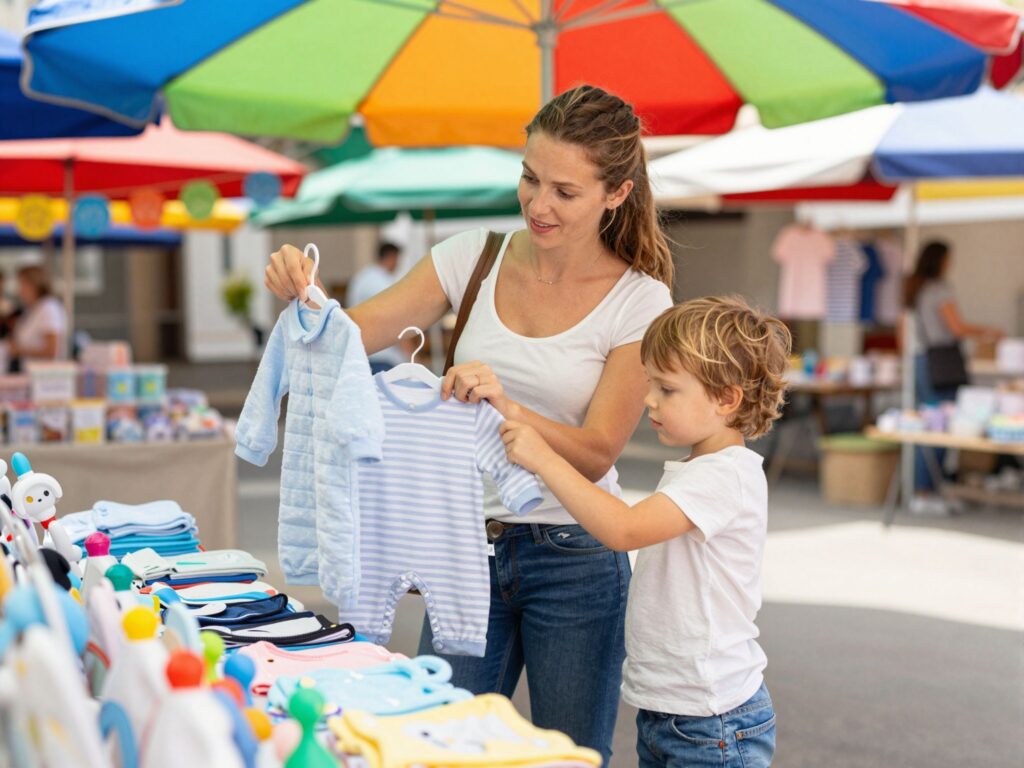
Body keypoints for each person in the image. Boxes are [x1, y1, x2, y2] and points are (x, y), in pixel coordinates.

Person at [264, 84, 674, 759]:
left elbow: (598, 451)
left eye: (565, 192)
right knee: (436, 743)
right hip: (466, 549)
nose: (538, 205)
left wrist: (505, 405)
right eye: (530, 178)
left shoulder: (640, 300)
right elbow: (349, 335)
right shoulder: (473, 256)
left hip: (575, 558)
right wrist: (304, 291)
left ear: (617, 193)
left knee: (568, 755)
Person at [501, 297, 791, 768]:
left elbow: (624, 529)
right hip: (674, 714)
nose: (649, 399)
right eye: (651, 383)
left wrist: (545, 460)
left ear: (727, 398)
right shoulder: (701, 469)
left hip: (711, 722)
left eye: (667, 389)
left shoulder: (725, 475)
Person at [904, 241, 1002, 502]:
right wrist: (990, 331)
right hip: (941, 362)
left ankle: (924, 488)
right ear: (940, 261)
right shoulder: (939, 289)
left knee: (928, 422)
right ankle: (927, 491)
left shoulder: (916, 288)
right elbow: (957, 328)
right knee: (942, 424)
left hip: (921, 359)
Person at [346, 241, 405, 373]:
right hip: (383, 355)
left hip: (360, 353)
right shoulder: (383, 282)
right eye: (397, 259)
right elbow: (396, 320)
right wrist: (412, 356)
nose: (398, 264)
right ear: (391, 257)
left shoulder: (361, 278)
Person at [9, 265, 66, 367]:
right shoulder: (33, 309)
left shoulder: (48, 307)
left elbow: (52, 351)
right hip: (29, 371)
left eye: (22, 284)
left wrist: (19, 350)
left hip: (45, 373)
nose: (19, 290)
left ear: (34, 284)